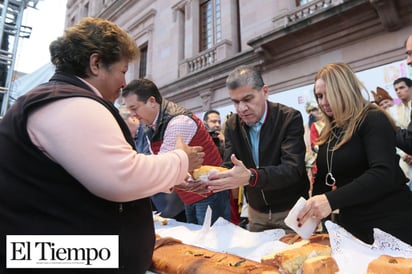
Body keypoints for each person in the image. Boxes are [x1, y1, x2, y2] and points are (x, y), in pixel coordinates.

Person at [0, 17, 205, 274]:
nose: (123, 83)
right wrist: (181, 159)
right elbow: (123, 176)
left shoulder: (64, 100)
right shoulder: (70, 104)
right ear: (96, 64)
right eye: (122, 71)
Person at [296, 62, 412, 245]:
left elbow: (383, 172)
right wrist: (309, 212)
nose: (323, 102)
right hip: (354, 228)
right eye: (319, 96)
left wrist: (330, 200)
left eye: (329, 94)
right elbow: (325, 180)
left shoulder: (373, 118)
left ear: (345, 90)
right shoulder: (330, 131)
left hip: (391, 224)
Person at [207, 65, 310, 232]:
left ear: (265, 91)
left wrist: (251, 177)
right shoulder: (232, 124)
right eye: (235, 102)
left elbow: (292, 169)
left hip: (292, 212)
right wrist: (208, 179)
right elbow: (229, 165)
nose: (241, 108)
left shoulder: (289, 118)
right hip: (256, 213)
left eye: (247, 99)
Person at [122, 79, 231, 225]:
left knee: (211, 243)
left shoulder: (178, 121)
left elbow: (163, 168)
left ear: (152, 101)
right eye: (129, 110)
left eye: (134, 108)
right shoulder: (149, 126)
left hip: (209, 192)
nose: (133, 114)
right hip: (189, 193)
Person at [389, 77, 412, 183]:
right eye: (396, 89)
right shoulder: (393, 111)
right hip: (405, 156)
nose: (398, 91)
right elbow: (394, 134)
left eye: (401, 88)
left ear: (410, 88)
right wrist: (404, 155)